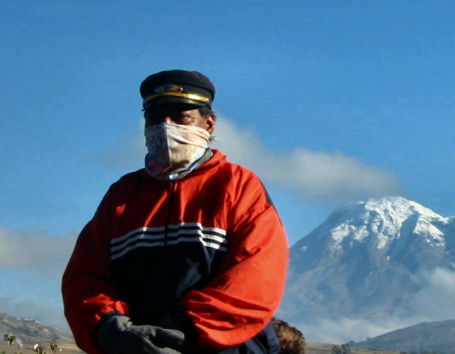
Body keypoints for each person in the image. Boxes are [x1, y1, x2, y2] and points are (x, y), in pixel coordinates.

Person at [62, 70, 289, 354]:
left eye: (181, 117)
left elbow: (256, 273)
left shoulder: (237, 185)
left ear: (209, 124)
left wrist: (185, 329)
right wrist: (110, 327)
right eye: (156, 118)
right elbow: (85, 274)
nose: (166, 128)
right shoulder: (123, 195)